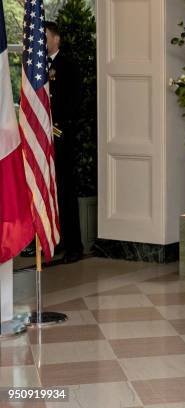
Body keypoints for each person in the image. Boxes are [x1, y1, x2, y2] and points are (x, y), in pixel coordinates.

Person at [22, 22, 83, 263]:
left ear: (56, 39)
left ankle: (73, 246)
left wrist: (54, 125)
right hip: (40, 138)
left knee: (65, 192)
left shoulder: (67, 66)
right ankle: (48, 241)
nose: (40, 41)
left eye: (44, 36)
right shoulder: (34, 67)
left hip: (60, 138)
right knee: (40, 190)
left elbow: (74, 101)